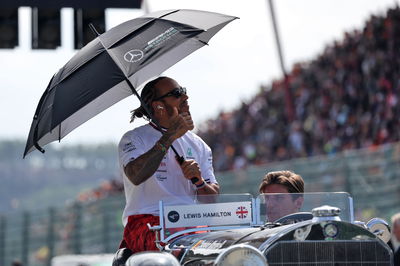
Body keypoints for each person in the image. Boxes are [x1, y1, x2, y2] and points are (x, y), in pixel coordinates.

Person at [118, 76, 219, 252]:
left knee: (223, 251)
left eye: (184, 91)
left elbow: (212, 200)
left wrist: (199, 181)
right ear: (159, 106)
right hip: (147, 221)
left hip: (191, 221)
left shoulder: (199, 144)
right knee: (181, 251)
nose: (185, 98)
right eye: (177, 94)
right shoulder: (133, 138)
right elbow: (136, 175)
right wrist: (170, 136)